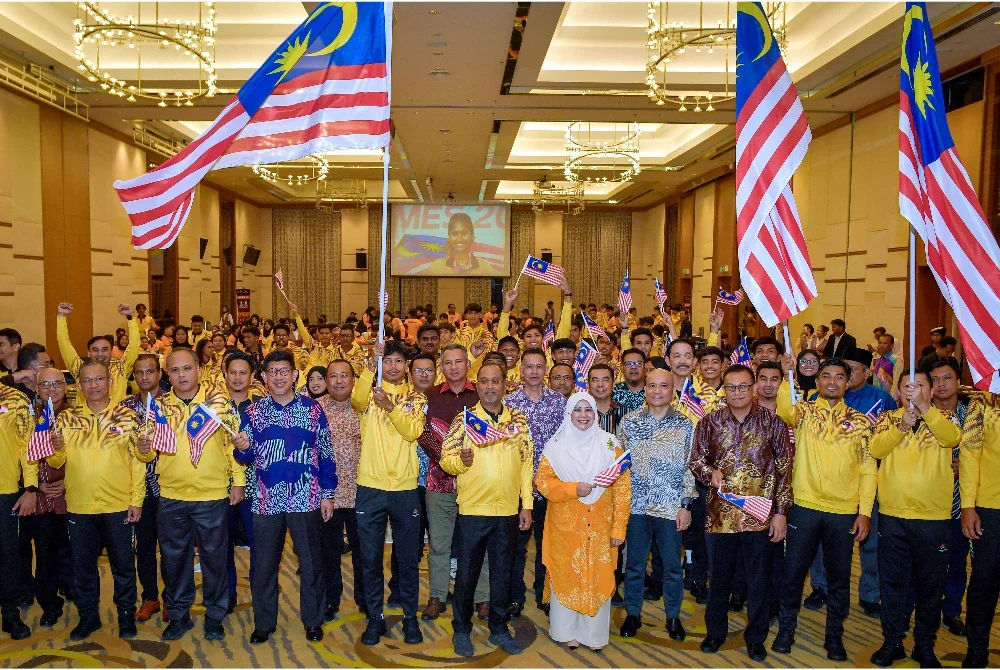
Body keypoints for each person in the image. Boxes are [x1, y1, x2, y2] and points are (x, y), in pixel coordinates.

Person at [772, 357, 875, 661]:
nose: (832, 382)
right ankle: (786, 630)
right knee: (793, 574)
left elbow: (869, 469)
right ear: (817, 382)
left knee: (839, 578)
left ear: (848, 382)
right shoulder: (804, 411)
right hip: (804, 506)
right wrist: (788, 373)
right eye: (826, 376)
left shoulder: (860, 422)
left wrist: (865, 511)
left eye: (839, 377)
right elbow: (783, 410)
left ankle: (835, 637)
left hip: (843, 512)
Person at [233, 350, 336, 644]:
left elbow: (326, 454)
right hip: (267, 500)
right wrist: (241, 447)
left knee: (311, 564)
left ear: (294, 375)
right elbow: (245, 457)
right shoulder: (252, 413)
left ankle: (313, 621)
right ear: (264, 377)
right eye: (273, 372)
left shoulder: (313, 410)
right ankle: (264, 623)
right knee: (264, 565)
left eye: (284, 371)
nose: (279, 377)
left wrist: (327, 494)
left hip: (306, 497)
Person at [690, 364, 792, 661]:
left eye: (744, 387)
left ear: (754, 389)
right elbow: (696, 461)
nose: (737, 392)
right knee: (719, 578)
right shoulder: (709, 423)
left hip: (759, 518)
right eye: (731, 387)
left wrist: (781, 512)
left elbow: (785, 471)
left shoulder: (773, 423)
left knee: (758, 581)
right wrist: (710, 474)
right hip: (719, 516)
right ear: (724, 389)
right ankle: (715, 632)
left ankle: (756, 637)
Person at [48, 358, 151, 641]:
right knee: (82, 566)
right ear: (79, 386)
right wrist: (55, 449)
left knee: (123, 565)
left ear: (110, 382)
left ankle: (126, 615)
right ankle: (88, 617)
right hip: (80, 507)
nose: (93, 385)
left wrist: (136, 500)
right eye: (87, 380)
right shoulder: (66, 418)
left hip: (118, 505)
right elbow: (58, 460)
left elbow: (140, 460)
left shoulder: (128, 417)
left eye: (99, 379)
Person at [868, 369, 961, 668]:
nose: (914, 389)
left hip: (933, 518)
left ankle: (925, 644)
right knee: (892, 584)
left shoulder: (946, 419)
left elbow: (951, 440)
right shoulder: (887, 418)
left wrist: (923, 409)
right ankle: (892, 641)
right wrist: (900, 427)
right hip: (893, 515)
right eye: (908, 385)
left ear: (931, 391)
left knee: (931, 585)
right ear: (898, 391)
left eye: (920, 385)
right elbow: (875, 449)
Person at [440, 362, 534, 657]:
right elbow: (446, 459)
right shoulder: (464, 420)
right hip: (472, 511)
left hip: (507, 510)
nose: (490, 386)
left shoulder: (518, 421)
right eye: (484, 381)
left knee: (502, 575)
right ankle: (461, 628)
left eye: (496, 381)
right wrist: (461, 462)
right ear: (476, 385)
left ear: (505, 384)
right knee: (466, 574)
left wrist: (526, 505)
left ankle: (498, 627)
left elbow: (526, 464)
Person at [155, 348, 244, 642]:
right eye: (175, 370)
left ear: (199, 370)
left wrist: (239, 482)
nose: (181, 375)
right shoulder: (156, 407)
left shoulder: (218, 404)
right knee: (174, 559)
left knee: (215, 559)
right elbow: (146, 455)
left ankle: (215, 616)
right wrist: (144, 452)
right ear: (167, 374)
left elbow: (234, 445)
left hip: (211, 494)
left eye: (186, 368)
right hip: (171, 495)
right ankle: (179, 615)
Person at [535, 392, 631, 652]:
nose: (583, 415)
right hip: (565, 527)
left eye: (588, 410)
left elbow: (622, 489)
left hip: (601, 526)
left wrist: (619, 527)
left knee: (598, 576)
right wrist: (573, 489)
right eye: (577, 410)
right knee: (567, 575)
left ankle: (594, 636)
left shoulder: (611, 445)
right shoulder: (556, 446)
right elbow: (542, 482)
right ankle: (565, 631)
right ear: (569, 414)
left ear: (595, 414)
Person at [351, 341, 427, 646]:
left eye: (398, 361)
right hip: (370, 487)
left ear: (406, 366)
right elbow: (356, 402)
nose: (393, 366)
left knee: (408, 559)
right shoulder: (369, 391)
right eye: (389, 361)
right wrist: (371, 364)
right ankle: (375, 619)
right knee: (369, 558)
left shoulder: (416, 397)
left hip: (405, 489)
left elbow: (413, 432)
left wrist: (391, 408)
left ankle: (410, 618)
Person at [617, 368, 696, 641]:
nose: (657, 391)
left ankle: (673, 617)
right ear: (646, 389)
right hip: (636, 507)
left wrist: (686, 505)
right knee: (635, 565)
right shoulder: (628, 423)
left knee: (673, 567)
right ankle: (632, 614)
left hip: (670, 508)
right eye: (652, 386)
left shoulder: (686, 426)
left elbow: (689, 468)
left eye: (664, 386)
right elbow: (621, 466)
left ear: (673, 391)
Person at [416, 344, 490, 620]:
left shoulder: (481, 395)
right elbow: (423, 434)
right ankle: (437, 595)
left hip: (477, 482)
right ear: (441, 367)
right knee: (439, 543)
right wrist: (449, 463)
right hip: (439, 481)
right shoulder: (431, 395)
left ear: (467, 364)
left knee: (477, 543)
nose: (454, 367)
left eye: (459, 361)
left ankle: (482, 597)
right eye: (448, 363)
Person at [504, 348, 567, 616]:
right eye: (528, 367)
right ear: (520, 370)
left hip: (550, 487)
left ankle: (544, 593)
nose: (533, 371)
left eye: (539, 367)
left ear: (546, 369)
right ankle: (515, 596)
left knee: (548, 546)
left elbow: (566, 442)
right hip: (518, 488)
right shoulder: (509, 403)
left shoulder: (559, 403)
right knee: (516, 548)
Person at [927, 359, 973, 636]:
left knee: (957, 560)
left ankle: (952, 610)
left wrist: (966, 469)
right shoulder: (919, 416)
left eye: (947, 378)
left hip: (960, 504)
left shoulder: (973, 417)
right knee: (923, 565)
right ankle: (921, 608)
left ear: (958, 382)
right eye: (935, 379)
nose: (941, 384)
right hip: (927, 506)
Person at [23, 367, 71, 627]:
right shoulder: (28, 417)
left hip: (71, 496)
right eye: (45, 385)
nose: (51, 389)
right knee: (44, 555)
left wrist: (68, 481)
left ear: (65, 386)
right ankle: (50, 605)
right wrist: (34, 485)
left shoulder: (77, 417)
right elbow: (22, 455)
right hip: (39, 498)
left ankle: (75, 591)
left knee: (74, 553)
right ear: (37, 389)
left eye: (57, 384)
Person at [119, 354, 165, 623]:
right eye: (139, 373)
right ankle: (150, 597)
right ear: (133, 376)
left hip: (168, 487)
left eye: (150, 371)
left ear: (160, 373)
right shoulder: (124, 408)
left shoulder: (171, 404)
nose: (145, 377)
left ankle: (172, 597)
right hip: (137, 488)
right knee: (144, 546)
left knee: (172, 546)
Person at [957, 381, 1000, 668]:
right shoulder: (982, 402)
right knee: (984, 581)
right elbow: (970, 455)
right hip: (990, 505)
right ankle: (977, 649)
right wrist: (969, 505)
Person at [318, 359, 365, 620]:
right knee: (329, 551)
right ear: (325, 381)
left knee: (364, 551)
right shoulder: (316, 409)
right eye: (333, 376)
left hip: (363, 493)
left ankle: (364, 598)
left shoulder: (364, 406)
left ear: (353, 379)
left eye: (344, 376)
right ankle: (330, 599)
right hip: (329, 495)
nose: (338, 381)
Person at [222, 351, 264, 614]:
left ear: (252, 377)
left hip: (255, 489)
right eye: (233, 372)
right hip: (220, 487)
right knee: (221, 546)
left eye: (243, 373)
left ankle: (261, 596)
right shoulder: (213, 408)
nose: (238, 378)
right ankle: (226, 595)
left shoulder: (261, 408)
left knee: (259, 547)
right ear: (225, 375)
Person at [57, 303, 140, 405]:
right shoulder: (81, 369)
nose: (100, 354)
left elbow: (134, 345)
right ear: (88, 353)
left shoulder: (121, 369)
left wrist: (130, 318)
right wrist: (61, 317)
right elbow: (64, 345)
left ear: (111, 351)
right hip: (85, 419)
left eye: (104, 349)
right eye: (95, 350)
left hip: (116, 419)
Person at [425, 212, 493, 275]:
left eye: (464, 233)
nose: (459, 239)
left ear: (472, 236)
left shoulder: (485, 267)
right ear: (449, 237)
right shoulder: (437, 267)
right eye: (454, 233)